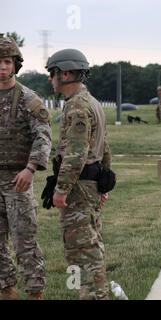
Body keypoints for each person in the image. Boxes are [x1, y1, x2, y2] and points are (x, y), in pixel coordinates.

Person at [45, 48, 112, 300]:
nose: (50, 78)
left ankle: (93, 296)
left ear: (67, 73)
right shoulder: (92, 102)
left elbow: (76, 152)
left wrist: (61, 189)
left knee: (82, 250)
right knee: (92, 244)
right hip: (90, 184)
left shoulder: (77, 107)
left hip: (79, 188)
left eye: (52, 73)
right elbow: (105, 145)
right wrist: (104, 182)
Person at [0, 34, 52, 300]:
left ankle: (35, 293)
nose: (2, 67)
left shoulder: (28, 99)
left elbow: (43, 135)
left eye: (7, 61)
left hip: (17, 179)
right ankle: (7, 290)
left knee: (25, 243)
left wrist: (31, 168)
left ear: (15, 64)